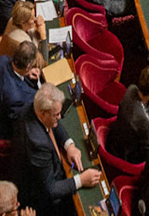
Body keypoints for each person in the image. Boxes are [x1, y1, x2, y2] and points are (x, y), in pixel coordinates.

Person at [11, 85, 104, 213]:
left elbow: (54, 123)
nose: (60, 117)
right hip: (40, 198)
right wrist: (81, 180)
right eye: (56, 114)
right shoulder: (37, 142)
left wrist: (69, 145)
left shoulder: (35, 106)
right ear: (43, 112)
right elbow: (51, 189)